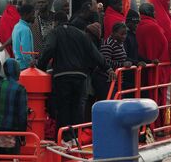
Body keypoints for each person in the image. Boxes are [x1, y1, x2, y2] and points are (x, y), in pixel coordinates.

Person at [38, 11, 114, 144]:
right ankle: (75, 138)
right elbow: (94, 52)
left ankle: (63, 139)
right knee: (77, 107)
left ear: (55, 22)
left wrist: (41, 68)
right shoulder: (81, 34)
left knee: (63, 108)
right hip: (80, 76)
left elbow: (49, 49)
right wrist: (107, 68)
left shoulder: (55, 33)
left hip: (62, 76)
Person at [0, 59, 28, 155]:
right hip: (13, 134)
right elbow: (22, 116)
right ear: (16, 70)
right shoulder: (20, 89)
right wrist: (23, 137)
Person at [136, 3, 168, 116]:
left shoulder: (139, 25)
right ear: (150, 12)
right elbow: (163, 45)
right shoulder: (153, 26)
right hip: (154, 68)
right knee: (156, 97)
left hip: (143, 68)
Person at [95, 23, 132, 101]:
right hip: (107, 80)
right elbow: (105, 61)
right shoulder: (108, 44)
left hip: (117, 80)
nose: (124, 36)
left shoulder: (120, 44)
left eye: (125, 34)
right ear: (113, 33)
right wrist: (122, 64)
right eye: (121, 34)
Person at [12, 4, 35, 70]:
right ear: (26, 15)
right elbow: (25, 51)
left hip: (18, 64)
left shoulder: (16, 26)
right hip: (25, 66)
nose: (34, 17)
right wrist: (31, 62)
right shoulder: (25, 29)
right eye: (33, 14)